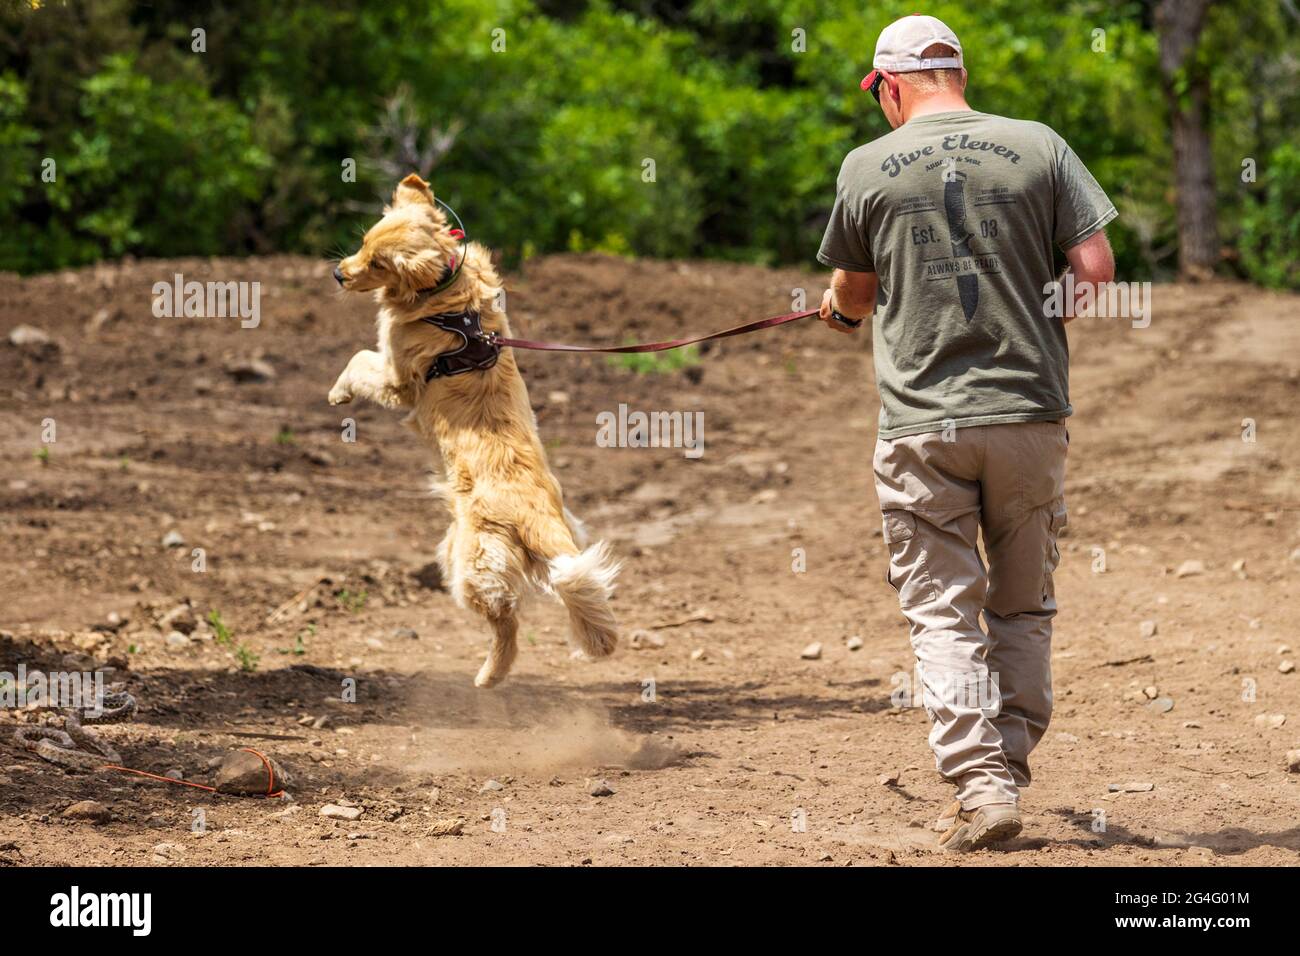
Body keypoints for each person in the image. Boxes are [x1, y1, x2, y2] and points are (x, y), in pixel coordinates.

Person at [816, 13, 1116, 852]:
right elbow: (1093, 270)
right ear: (960, 76)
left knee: (943, 615)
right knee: (1024, 604)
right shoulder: (1040, 144)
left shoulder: (867, 165)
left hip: (922, 427)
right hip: (1028, 414)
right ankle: (1006, 768)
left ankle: (981, 786)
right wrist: (1034, 318)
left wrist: (840, 314)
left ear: (888, 86)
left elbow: (854, 291)